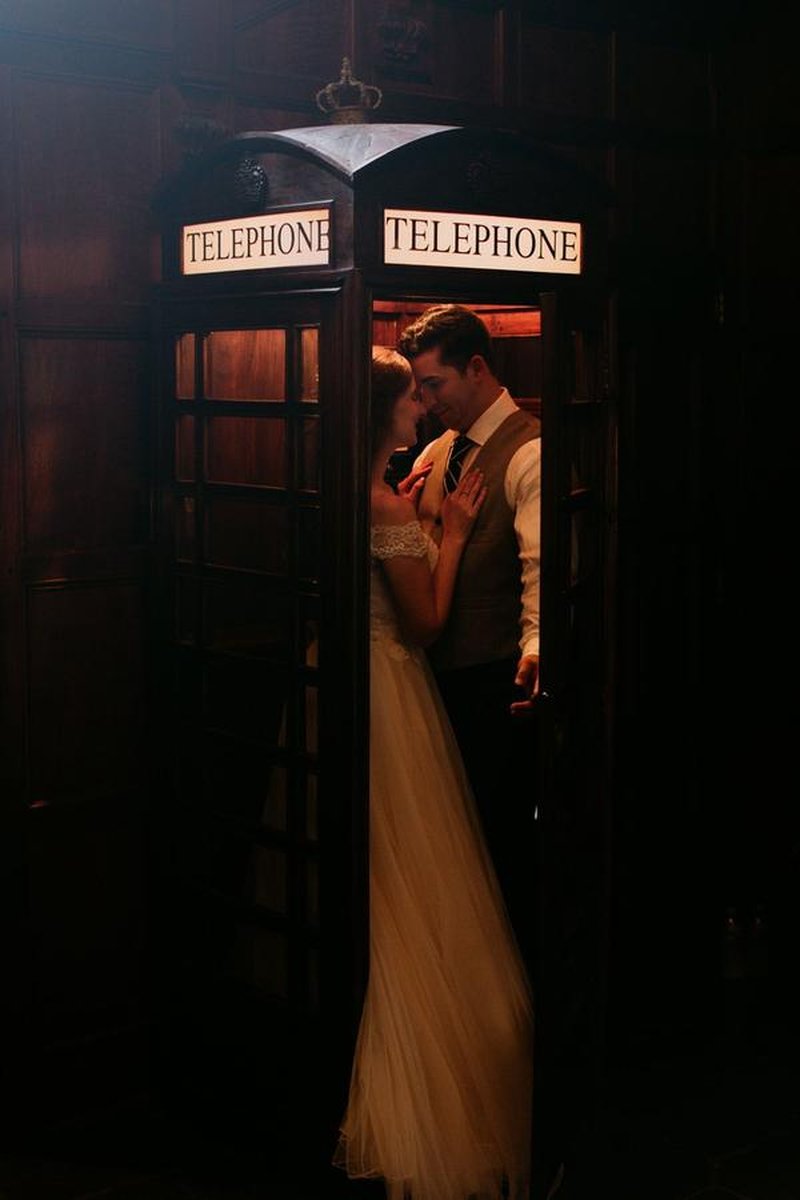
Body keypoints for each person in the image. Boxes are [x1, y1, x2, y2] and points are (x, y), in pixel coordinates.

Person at [334, 347, 533, 1200]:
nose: (421, 408)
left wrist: (410, 512)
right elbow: (422, 623)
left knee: (368, 867)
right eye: (410, 398)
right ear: (383, 410)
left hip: (337, 686)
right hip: (392, 690)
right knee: (411, 868)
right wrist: (446, 536)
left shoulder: (348, 489)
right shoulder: (384, 503)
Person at [397, 304, 541, 970]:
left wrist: (537, 649)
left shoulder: (530, 451)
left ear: (477, 367)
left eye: (435, 385)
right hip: (429, 683)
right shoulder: (438, 451)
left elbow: (540, 568)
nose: (427, 403)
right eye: (420, 389)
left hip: (491, 680)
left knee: (493, 839)